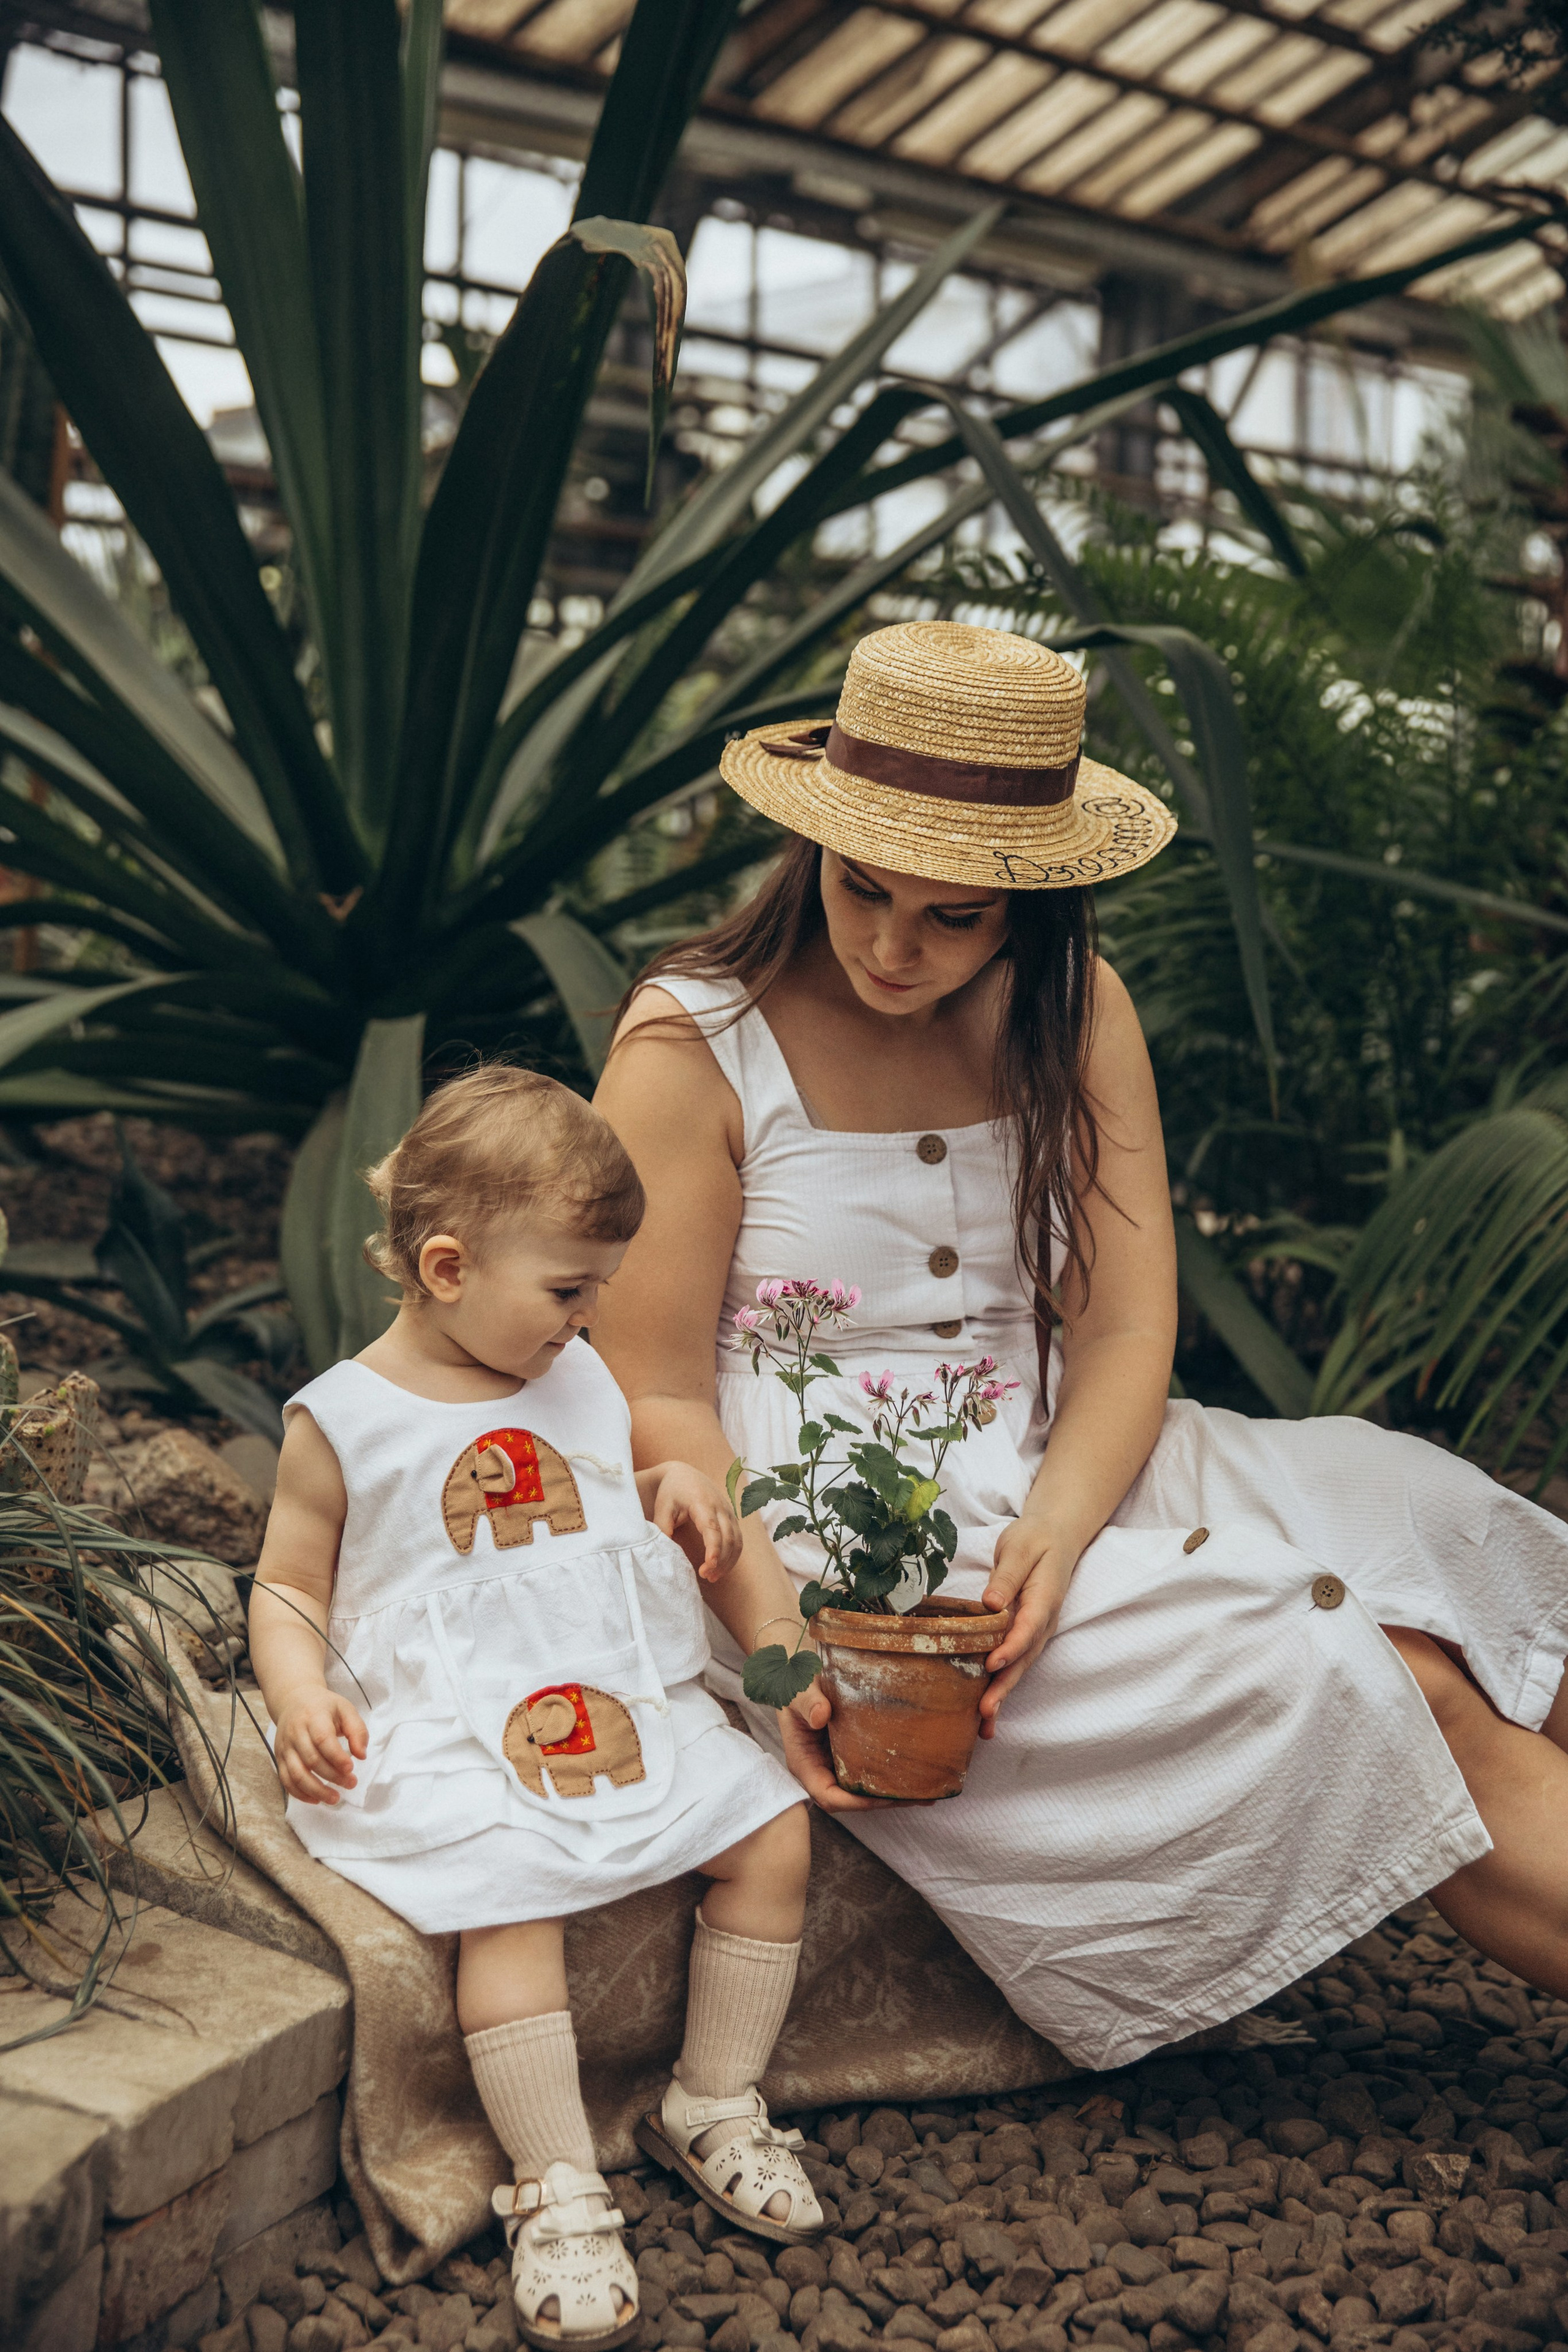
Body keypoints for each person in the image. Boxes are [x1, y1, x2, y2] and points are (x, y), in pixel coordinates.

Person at [593, 617, 1568, 2075]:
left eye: (954, 915)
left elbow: (1120, 1325)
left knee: (1454, 1525)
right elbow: (654, 1393)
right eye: (862, 891)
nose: (892, 946)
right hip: (837, 1527)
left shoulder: (1069, 1004)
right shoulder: (693, 1043)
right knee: (1377, 1671)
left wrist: (1055, 1522)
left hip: (1066, 1450)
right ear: (808, 849)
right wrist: (783, 1648)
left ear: (1030, 904)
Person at [249, 1066, 821, 2351]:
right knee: (505, 1904)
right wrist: (297, 1696)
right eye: (569, 1289)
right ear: (446, 1267)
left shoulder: (574, 1371)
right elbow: (287, 1587)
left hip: (609, 1687)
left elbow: (601, 1489)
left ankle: (713, 2100)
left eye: (599, 1288)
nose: (589, 1316)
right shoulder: (345, 1422)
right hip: (455, 1722)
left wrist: (671, 1484)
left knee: (772, 1834)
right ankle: (554, 2180)